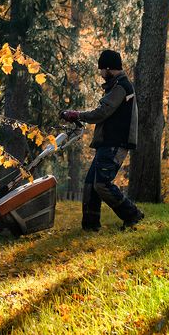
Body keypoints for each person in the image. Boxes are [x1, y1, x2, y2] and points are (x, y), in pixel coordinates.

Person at [60, 50, 145, 231]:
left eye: (101, 69)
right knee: (91, 184)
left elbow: (102, 112)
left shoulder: (122, 86)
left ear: (108, 68)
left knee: (102, 184)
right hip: (108, 142)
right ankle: (90, 227)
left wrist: (77, 115)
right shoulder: (116, 86)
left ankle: (133, 215)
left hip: (116, 142)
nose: (100, 73)